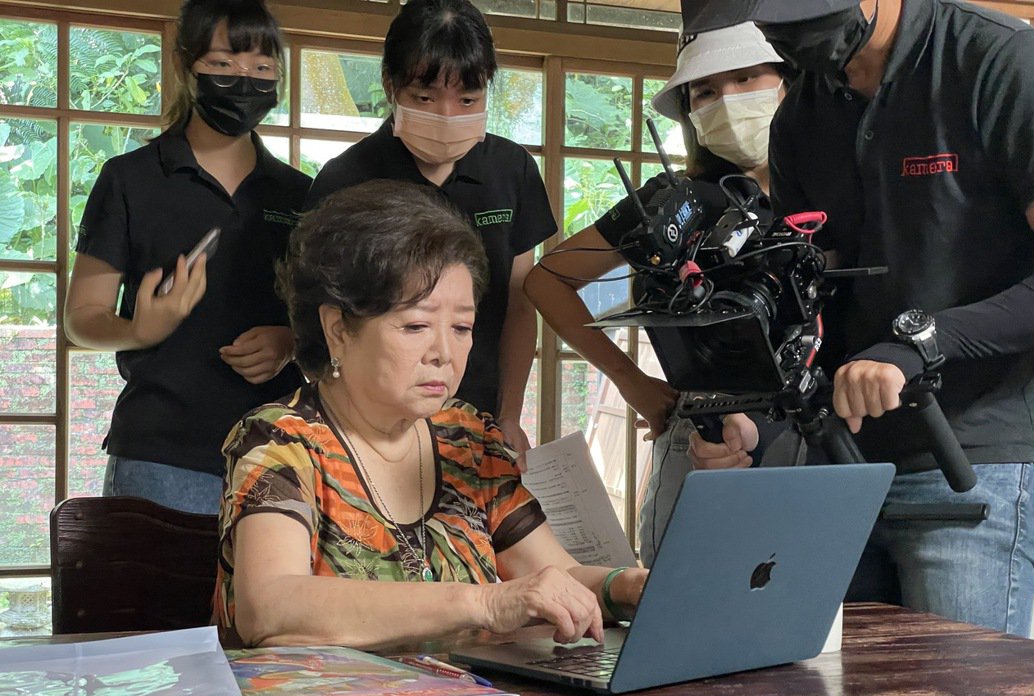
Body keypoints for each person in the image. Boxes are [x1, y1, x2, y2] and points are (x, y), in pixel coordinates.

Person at [681, 0, 1034, 635]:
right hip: (838, 467)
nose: (793, 40)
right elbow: (810, 298)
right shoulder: (802, 114)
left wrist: (922, 343)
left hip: (970, 457)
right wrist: (752, 414)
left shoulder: (1000, 60)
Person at [213, 180, 647, 649]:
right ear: (338, 329)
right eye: (416, 325)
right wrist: (485, 603)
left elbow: (553, 575)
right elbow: (270, 606)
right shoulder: (281, 442)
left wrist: (624, 588)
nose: (444, 353)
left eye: (462, 327)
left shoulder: (467, 441)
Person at [524, 23, 787, 565]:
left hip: (809, 441)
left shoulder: (837, 194)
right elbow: (547, 278)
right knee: (679, 607)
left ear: (786, 81)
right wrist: (631, 381)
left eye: (745, 78)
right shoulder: (671, 202)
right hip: (700, 438)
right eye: (707, 91)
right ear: (688, 110)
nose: (729, 101)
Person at [65, 0, 310, 514]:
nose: (244, 81)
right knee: (156, 597)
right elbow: (81, 319)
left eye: (262, 69)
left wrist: (291, 341)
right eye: (223, 64)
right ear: (184, 66)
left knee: (270, 597)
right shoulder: (129, 179)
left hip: (279, 451)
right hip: (160, 454)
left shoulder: (300, 194)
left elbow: (332, 319)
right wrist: (140, 330)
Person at [302, 0, 556, 457]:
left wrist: (509, 414)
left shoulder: (511, 170)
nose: (446, 115)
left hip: (476, 422)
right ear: (390, 85)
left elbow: (520, 306)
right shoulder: (346, 179)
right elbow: (322, 316)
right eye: (424, 98)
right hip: (369, 429)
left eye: (467, 100)